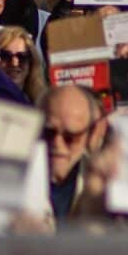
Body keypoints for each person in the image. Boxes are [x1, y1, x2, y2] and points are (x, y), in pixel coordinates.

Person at [42, 84, 101, 220]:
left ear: (90, 134)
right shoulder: (13, 179)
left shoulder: (107, 185)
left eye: (70, 137)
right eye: (48, 133)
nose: (57, 144)